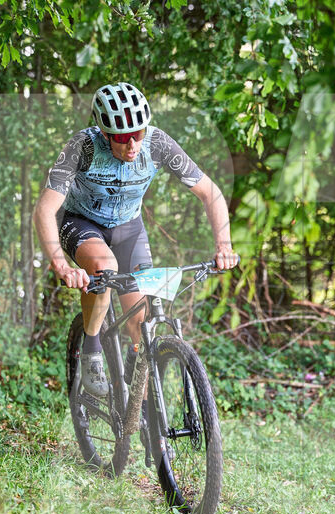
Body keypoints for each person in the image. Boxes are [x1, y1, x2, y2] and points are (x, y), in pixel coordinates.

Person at [34, 82, 239, 396]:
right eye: (120, 137)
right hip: (81, 222)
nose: (131, 145)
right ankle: (91, 349)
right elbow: (45, 210)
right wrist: (62, 266)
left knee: (140, 320)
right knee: (104, 266)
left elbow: (209, 193)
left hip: (129, 228)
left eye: (137, 134)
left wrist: (224, 245)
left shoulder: (158, 144)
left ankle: (146, 422)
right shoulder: (83, 147)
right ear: (105, 134)